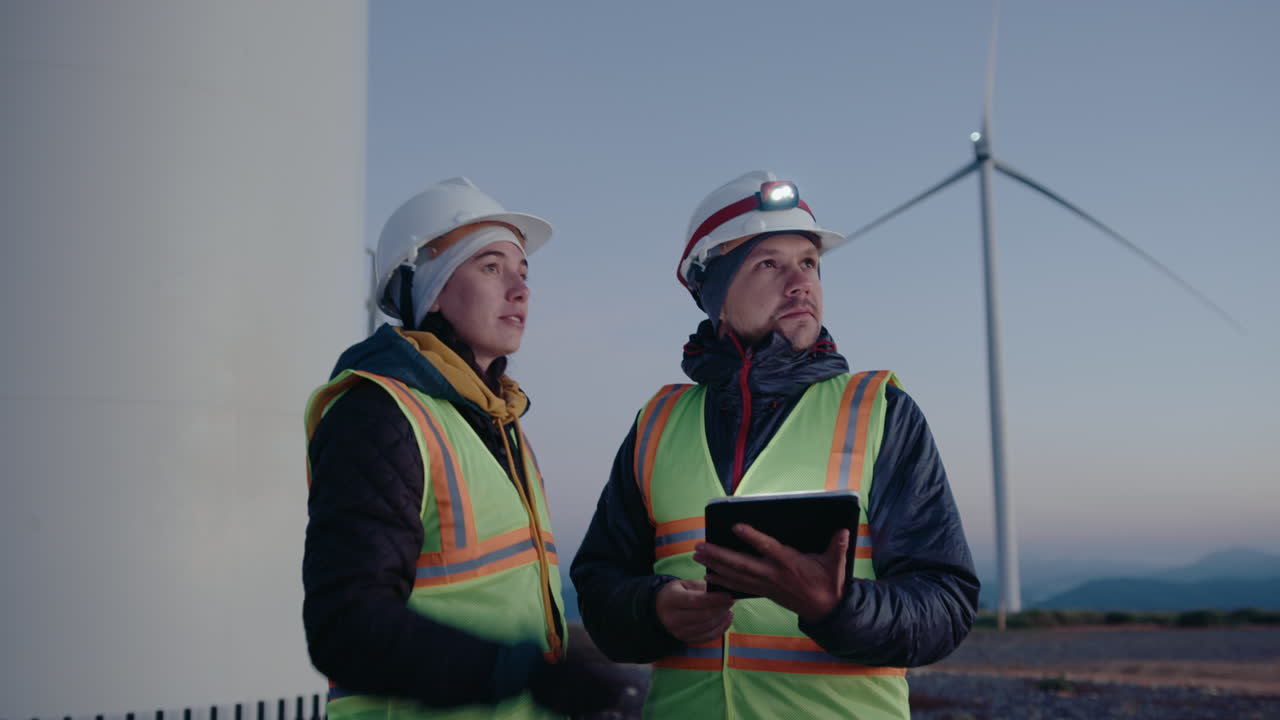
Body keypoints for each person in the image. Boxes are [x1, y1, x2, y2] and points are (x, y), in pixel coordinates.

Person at [571, 170, 980, 719]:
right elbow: (599, 591)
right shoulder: (657, 423)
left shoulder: (880, 412)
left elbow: (947, 605)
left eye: (809, 263)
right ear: (712, 292)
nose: (800, 282)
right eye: (769, 263)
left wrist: (837, 607)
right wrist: (655, 611)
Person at [303, 177, 622, 719]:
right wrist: (520, 673)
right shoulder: (378, 415)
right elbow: (346, 626)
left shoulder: (500, 424)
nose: (520, 290)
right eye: (491, 267)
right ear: (425, 288)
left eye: (523, 272)